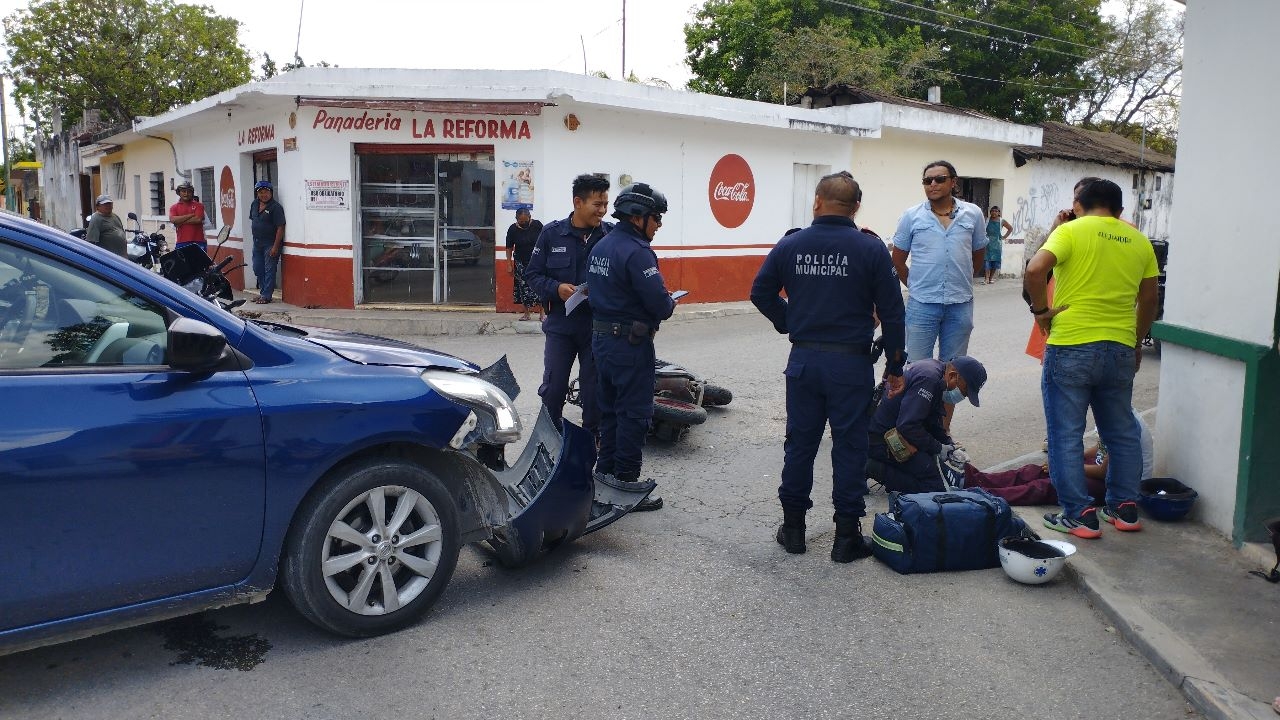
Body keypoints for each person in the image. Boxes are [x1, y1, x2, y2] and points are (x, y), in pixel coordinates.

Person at [751, 171, 907, 562]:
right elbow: (892, 311)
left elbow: (760, 292)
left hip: (804, 361)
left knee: (800, 444)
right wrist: (896, 365)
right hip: (850, 365)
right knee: (850, 447)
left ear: (817, 201)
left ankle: (793, 530)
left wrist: (789, 320)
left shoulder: (792, 244)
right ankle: (845, 536)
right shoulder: (870, 249)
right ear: (856, 208)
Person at [1024, 178, 1159, 539]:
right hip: (1118, 348)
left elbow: (1035, 271)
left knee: (1065, 435)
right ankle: (1124, 508)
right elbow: (1149, 301)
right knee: (1121, 433)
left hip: (1071, 345)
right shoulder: (1140, 240)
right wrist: (1133, 342)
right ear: (1119, 210)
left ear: (1079, 204)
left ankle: (1079, 515)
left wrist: (1041, 311)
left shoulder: (1071, 231)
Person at [586, 183, 674, 513]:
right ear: (639, 218)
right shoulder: (637, 252)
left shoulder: (602, 245)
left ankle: (604, 476)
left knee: (609, 412)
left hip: (603, 342)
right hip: (629, 344)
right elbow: (660, 304)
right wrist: (667, 303)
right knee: (634, 414)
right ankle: (624, 484)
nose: (659, 225)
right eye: (657, 218)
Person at [524, 175, 611, 439]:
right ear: (577, 202)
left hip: (597, 326)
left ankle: (590, 440)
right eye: (597, 204)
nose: (603, 210)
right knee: (554, 387)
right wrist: (556, 289)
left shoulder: (610, 237)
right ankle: (551, 439)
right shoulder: (551, 234)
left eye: (606, 204)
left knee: (593, 388)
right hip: (561, 325)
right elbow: (533, 275)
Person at [891, 160, 987, 364]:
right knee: (917, 367)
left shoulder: (973, 213)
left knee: (952, 369)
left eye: (939, 179)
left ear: (953, 182)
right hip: (922, 305)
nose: (932, 184)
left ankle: (944, 398)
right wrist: (917, 286)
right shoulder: (911, 216)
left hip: (960, 304)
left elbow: (978, 253)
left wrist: (962, 279)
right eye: (927, 180)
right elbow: (897, 260)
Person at [961, 409, 1154, 506]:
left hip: (1116, 486)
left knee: (1051, 484)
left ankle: (985, 496)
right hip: (1100, 471)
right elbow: (1101, 447)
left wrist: (1065, 467)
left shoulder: (1125, 423)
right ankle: (975, 480)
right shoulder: (1114, 410)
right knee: (1035, 470)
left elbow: (1105, 472)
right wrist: (1065, 459)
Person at [865, 356, 988, 495]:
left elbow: (932, 421)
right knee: (933, 486)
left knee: (930, 461)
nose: (963, 397)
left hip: (888, 431)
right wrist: (939, 448)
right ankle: (869, 466)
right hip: (880, 439)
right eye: (964, 391)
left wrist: (950, 447)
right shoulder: (929, 379)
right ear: (953, 376)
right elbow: (908, 426)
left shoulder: (935, 371)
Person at [249, 180, 286, 304]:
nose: (263, 195)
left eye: (266, 192)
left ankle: (266, 295)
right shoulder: (254, 204)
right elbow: (254, 220)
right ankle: (262, 293)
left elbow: (280, 227)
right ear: (257, 193)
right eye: (260, 192)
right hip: (257, 243)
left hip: (270, 243)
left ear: (271, 193)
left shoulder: (276, 207)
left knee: (269, 269)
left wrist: (275, 246)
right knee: (257, 268)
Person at [504, 208, 544, 321]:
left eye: (525, 221)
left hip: (537, 262)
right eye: (521, 221)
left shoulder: (537, 225)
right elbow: (509, 247)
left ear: (530, 217)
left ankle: (542, 313)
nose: (523, 223)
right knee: (522, 287)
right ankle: (527, 313)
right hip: (520, 262)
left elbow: (545, 241)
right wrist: (509, 264)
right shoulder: (512, 229)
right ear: (516, 219)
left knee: (539, 286)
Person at [169, 180, 208, 252]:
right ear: (179, 193)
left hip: (199, 241)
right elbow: (172, 219)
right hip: (181, 242)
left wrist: (179, 221)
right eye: (183, 191)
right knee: (183, 263)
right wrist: (191, 215)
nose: (186, 194)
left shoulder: (199, 205)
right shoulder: (174, 207)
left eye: (189, 191)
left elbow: (198, 219)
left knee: (200, 263)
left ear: (192, 193)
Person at [85, 194, 128, 258]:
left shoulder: (115, 216)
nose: (108, 206)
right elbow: (91, 242)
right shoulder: (96, 219)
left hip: (122, 257)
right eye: (105, 204)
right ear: (98, 206)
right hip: (109, 259)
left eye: (109, 203)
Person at [984, 206, 1012, 284]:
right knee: (987, 261)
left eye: (996, 211)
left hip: (997, 245)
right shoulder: (986, 220)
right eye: (992, 211)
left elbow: (1010, 228)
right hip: (987, 244)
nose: (994, 212)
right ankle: (986, 278)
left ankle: (991, 278)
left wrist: (1004, 237)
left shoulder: (1002, 221)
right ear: (990, 212)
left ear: (999, 212)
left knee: (995, 263)